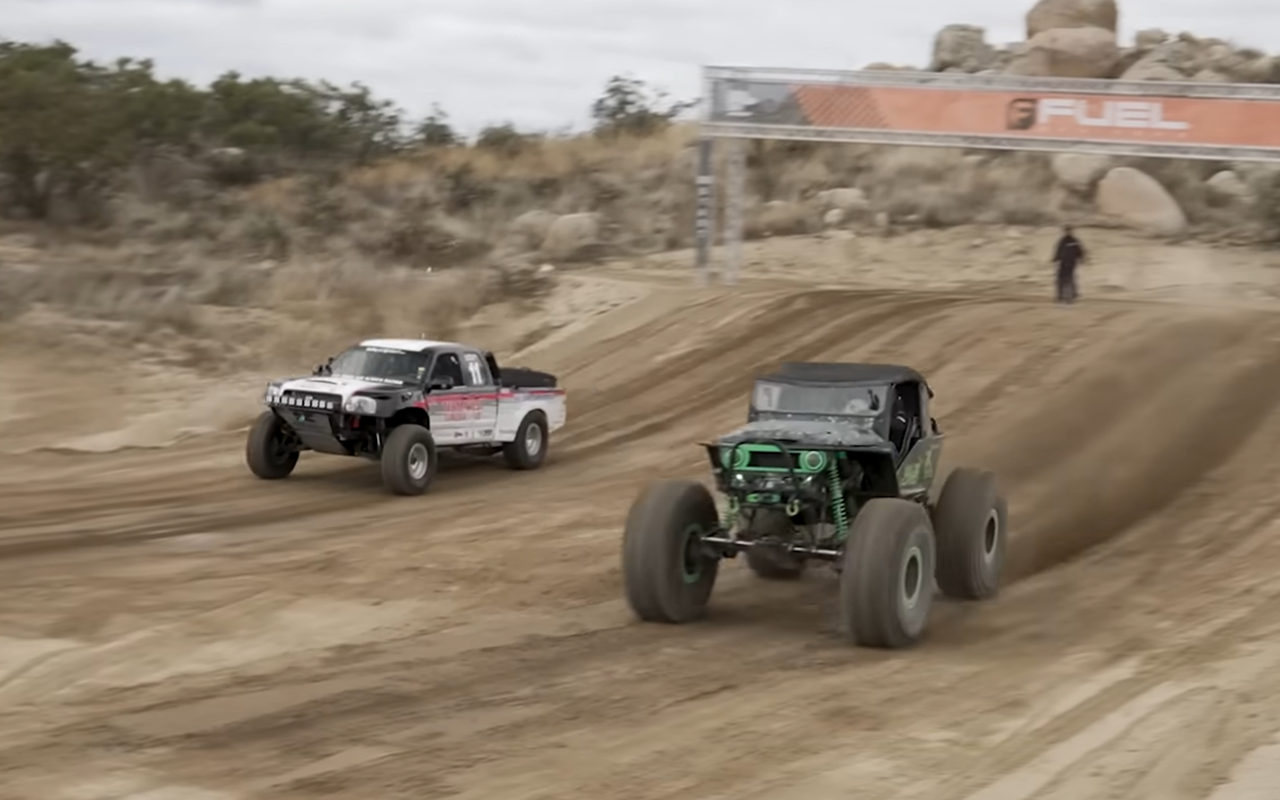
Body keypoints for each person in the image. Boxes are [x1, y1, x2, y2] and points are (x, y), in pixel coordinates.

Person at [1051, 225, 1087, 304]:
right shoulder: (1062, 240)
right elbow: (1059, 251)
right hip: (1063, 263)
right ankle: (1060, 296)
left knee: (1069, 279)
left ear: (1071, 231)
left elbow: (1079, 251)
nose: (1068, 232)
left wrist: (1082, 259)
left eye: (1069, 230)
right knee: (1060, 279)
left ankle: (1070, 296)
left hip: (1071, 263)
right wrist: (1055, 259)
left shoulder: (1074, 241)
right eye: (1066, 231)